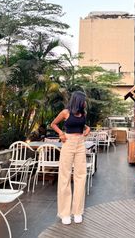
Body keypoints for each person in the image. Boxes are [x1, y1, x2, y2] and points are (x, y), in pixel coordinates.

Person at [51, 91, 90, 225]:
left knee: (81, 176)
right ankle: (65, 213)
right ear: (78, 100)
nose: (85, 103)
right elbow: (53, 124)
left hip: (80, 144)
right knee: (65, 177)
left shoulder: (82, 113)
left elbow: (80, 125)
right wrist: (61, 133)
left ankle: (77, 212)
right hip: (68, 143)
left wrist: (87, 128)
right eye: (84, 100)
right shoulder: (65, 112)